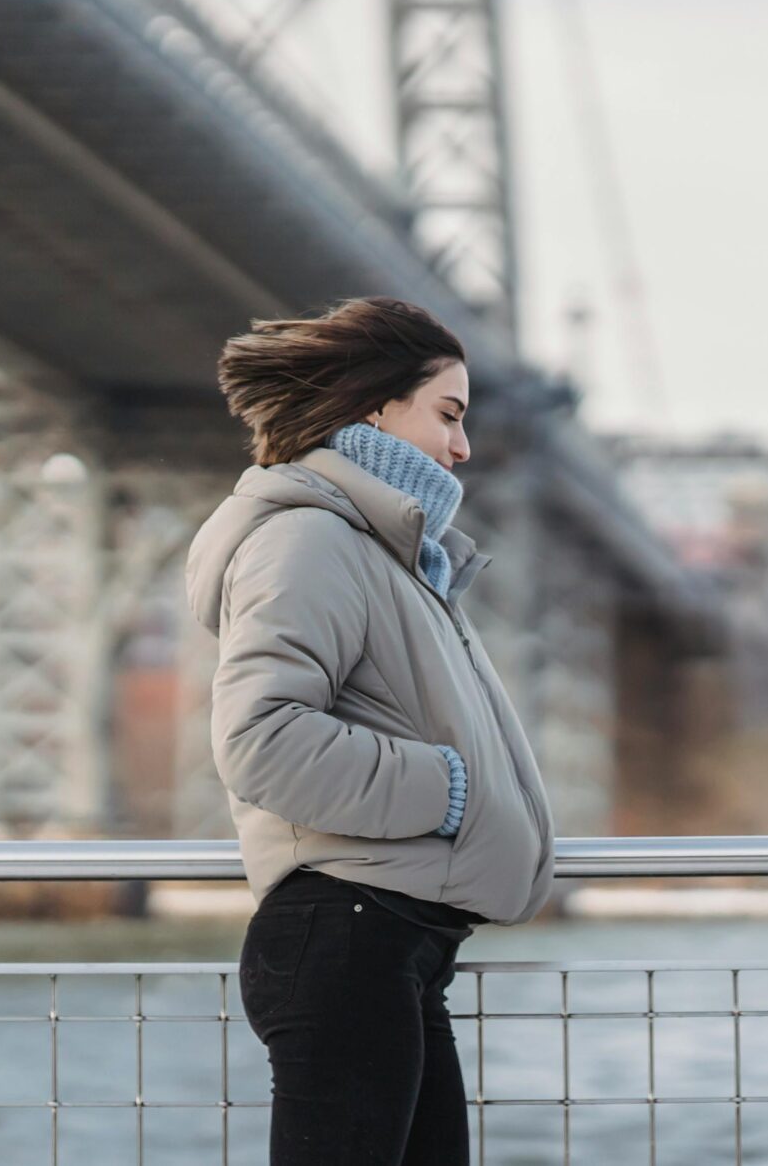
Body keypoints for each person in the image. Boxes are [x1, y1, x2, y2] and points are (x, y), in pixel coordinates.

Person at [187, 296, 556, 1166]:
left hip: (392, 945)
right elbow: (260, 737)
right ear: (373, 407)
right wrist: (449, 788)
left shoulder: (390, 551)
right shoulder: (311, 541)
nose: (463, 447)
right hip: (347, 937)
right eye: (449, 413)